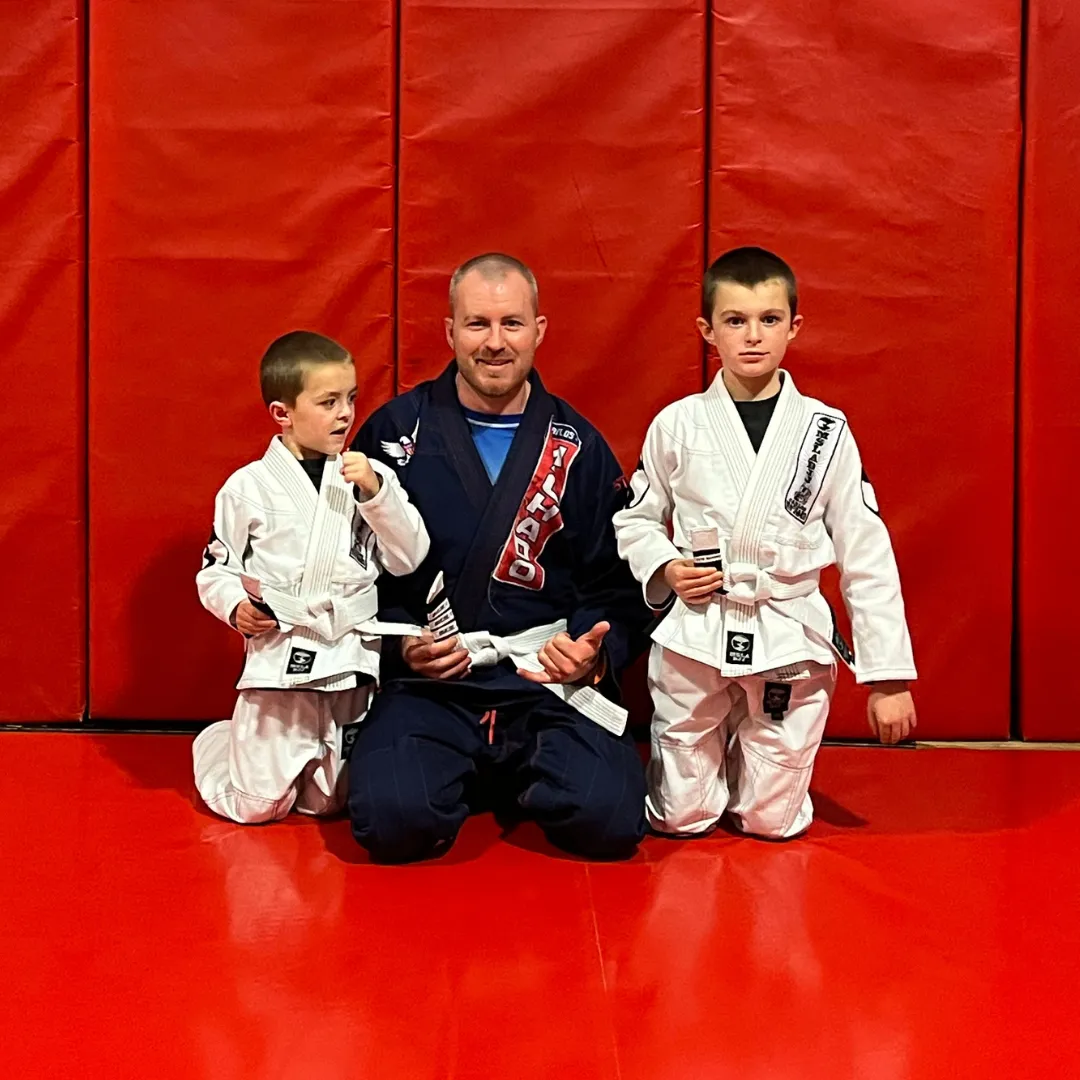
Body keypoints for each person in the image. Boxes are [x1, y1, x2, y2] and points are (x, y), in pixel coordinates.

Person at [346, 253, 648, 862]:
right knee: (393, 820)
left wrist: (592, 654)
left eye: (511, 323)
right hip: (432, 686)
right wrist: (400, 647)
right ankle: (475, 770)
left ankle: (501, 770)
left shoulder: (579, 447)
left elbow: (617, 582)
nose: (494, 342)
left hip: (543, 683)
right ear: (450, 331)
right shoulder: (393, 433)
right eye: (477, 324)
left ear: (539, 330)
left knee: (612, 820)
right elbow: (350, 570)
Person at [612, 247, 917, 840]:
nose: (753, 335)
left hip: (787, 631)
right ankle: (706, 764)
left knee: (772, 822)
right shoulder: (677, 423)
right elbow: (636, 521)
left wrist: (887, 679)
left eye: (769, 319)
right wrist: (666, 567)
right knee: (679, 818)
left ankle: (751, 762)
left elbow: (866, 552)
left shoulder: (825, 430)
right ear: (707, 331)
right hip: (698, 628)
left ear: (793, 327)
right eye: (735, 320)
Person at [194, 330, 430, 823]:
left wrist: (378, 494)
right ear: (282, 413)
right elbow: (217, 569)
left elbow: (408, 558)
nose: (345, 414)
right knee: (256, 807)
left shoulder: (371, 477)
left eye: (350, 399)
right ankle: (221, 740)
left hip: (350, 655)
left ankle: (295, 762)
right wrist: (235, 606)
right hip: (283, 654)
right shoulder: (248, 487)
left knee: (330, 803)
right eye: (328, 402)